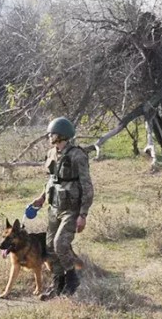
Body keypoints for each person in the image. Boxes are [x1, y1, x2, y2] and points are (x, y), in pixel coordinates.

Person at [32, 117, 94, 300]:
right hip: (54, 207)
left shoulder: (77, 155)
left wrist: (83, 214)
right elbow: (52, 179)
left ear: (62, 135)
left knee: (60, 244)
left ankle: (72, 279)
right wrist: (42, 197)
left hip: (71, 209)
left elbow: (87, 186)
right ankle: (58, 285)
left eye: (53, 133)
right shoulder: (52, 153)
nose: (50, 136)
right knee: (50, 247)